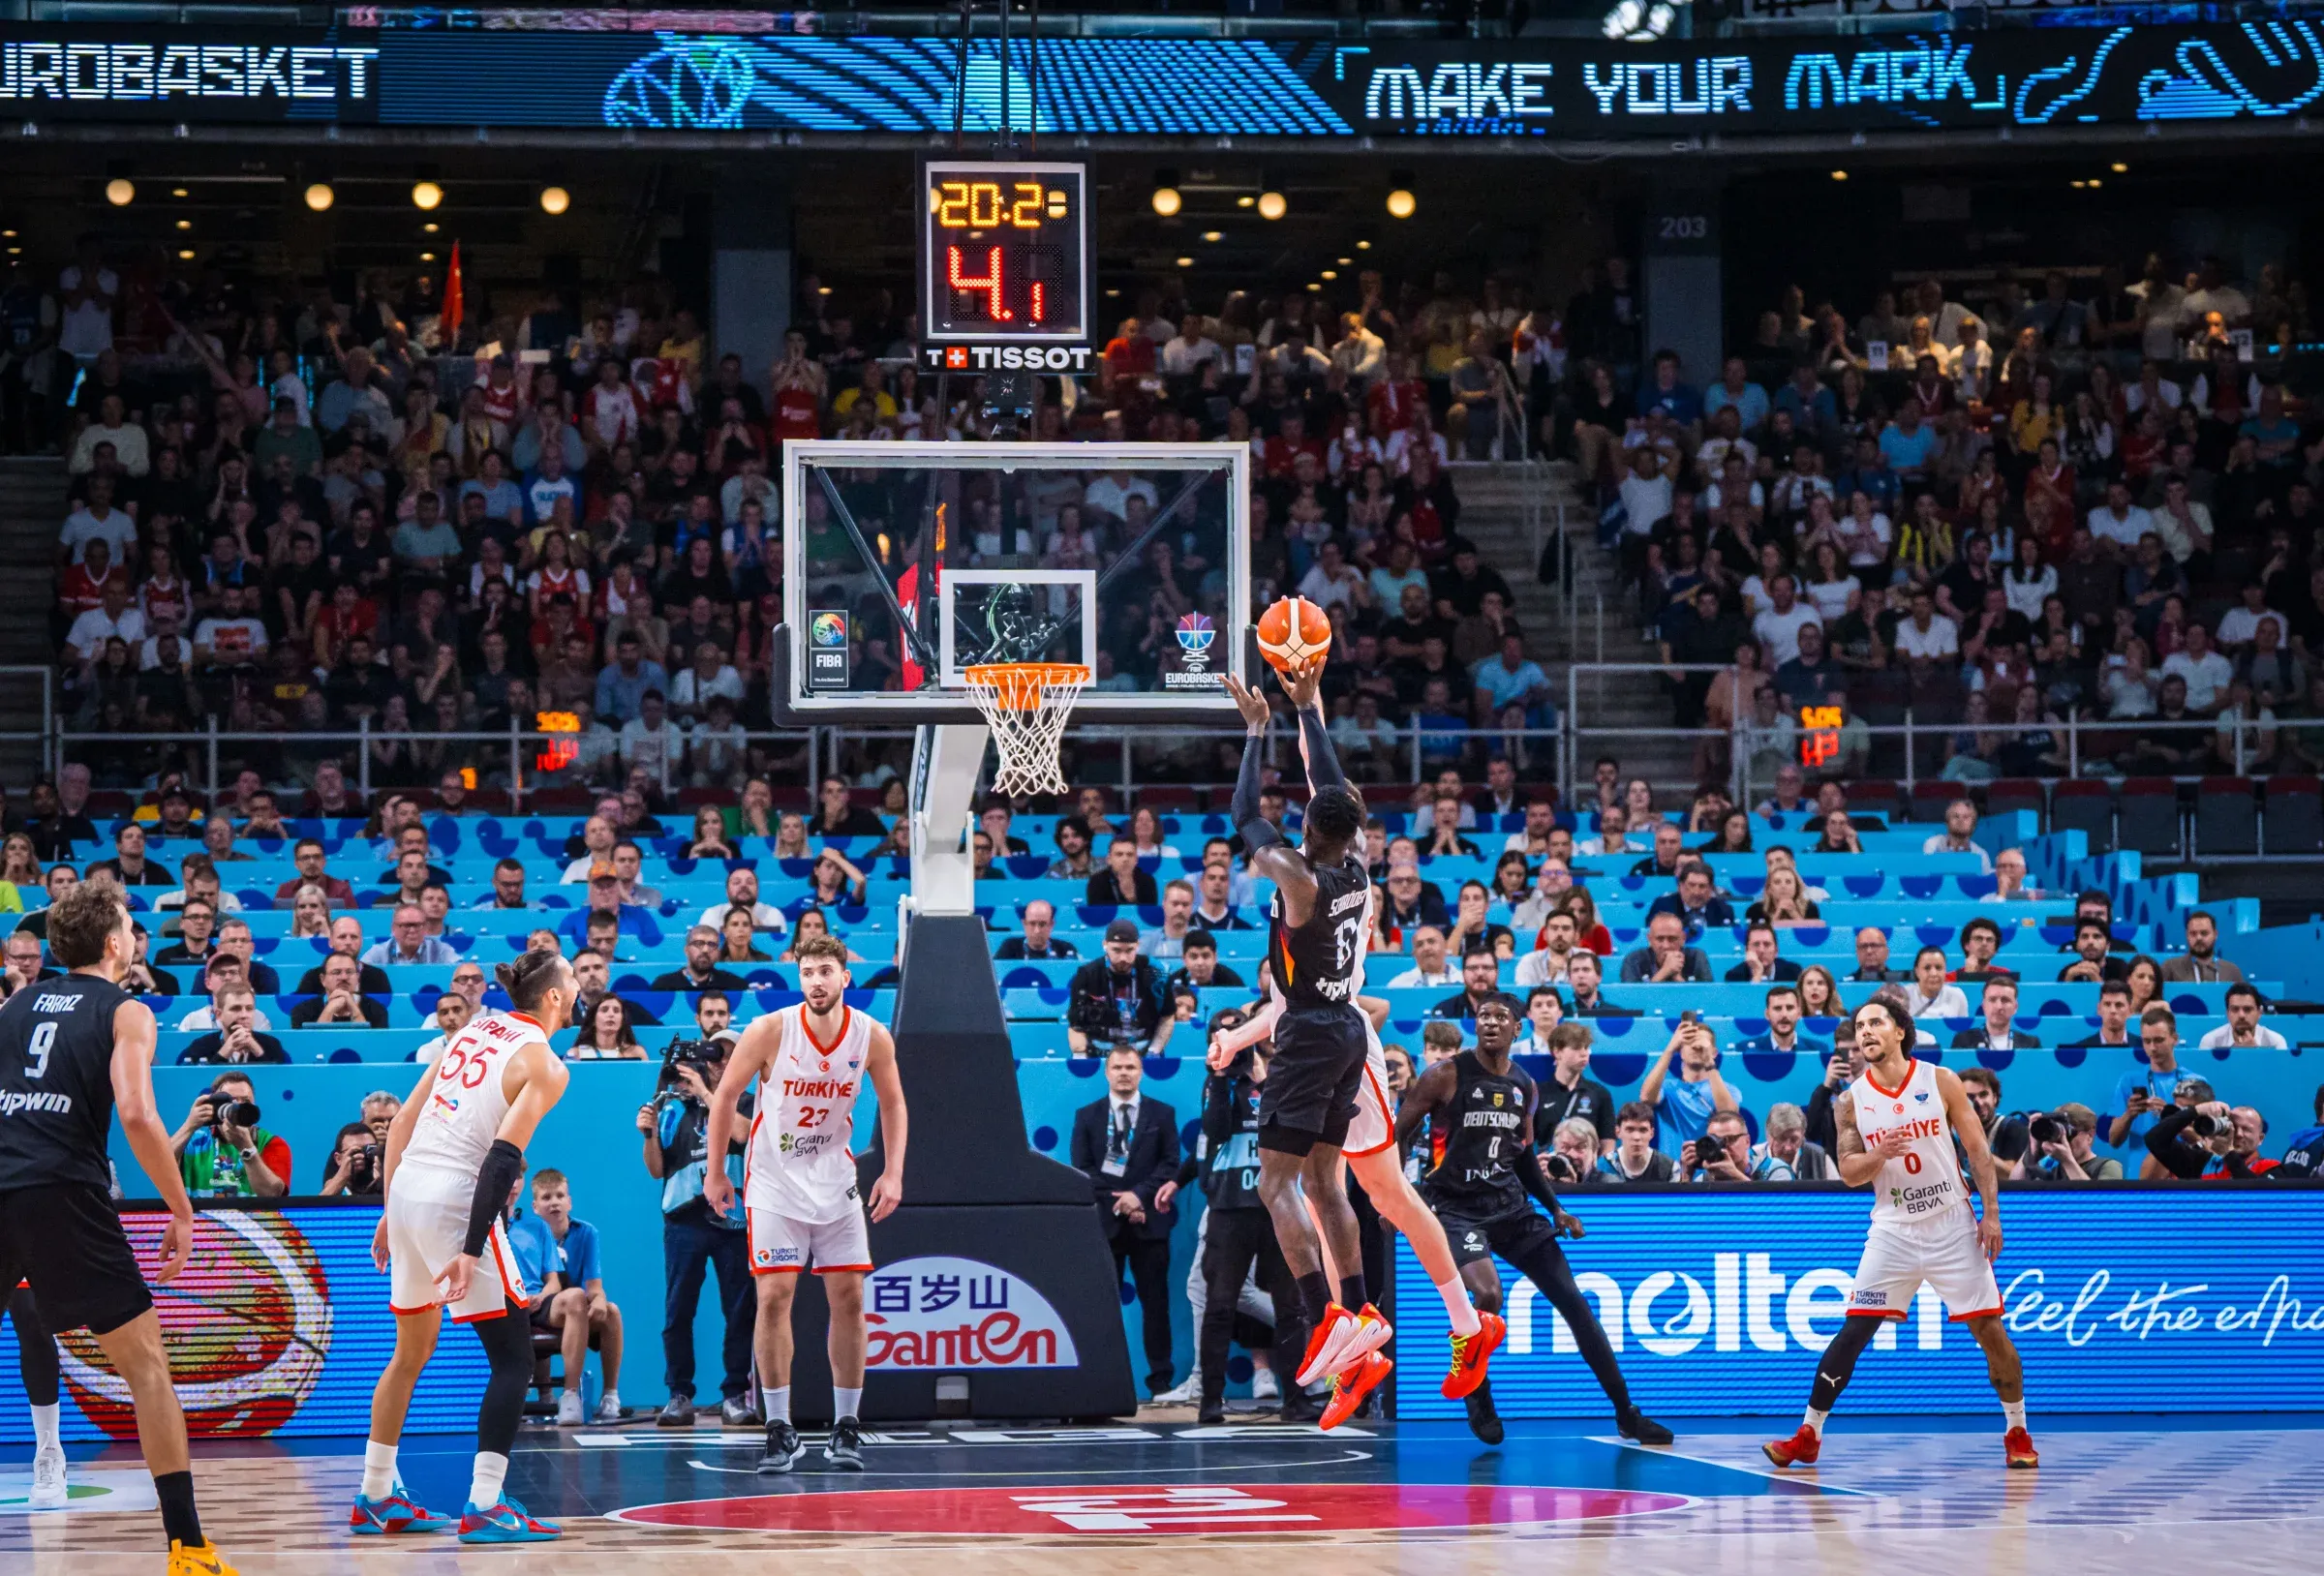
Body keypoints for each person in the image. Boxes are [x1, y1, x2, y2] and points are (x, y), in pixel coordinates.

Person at [0, 884, 241, 1572]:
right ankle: (189, 1549)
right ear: (115, 944)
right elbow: (136, 1113)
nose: (136, 936)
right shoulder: (126, 1009)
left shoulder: (15, 1003)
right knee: (146, 1370)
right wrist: (181, 1207)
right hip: (61, 1192)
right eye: (132, 927)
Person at [1216, 665, 1391, 1426]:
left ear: (1308, 832)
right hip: (1350, 1028)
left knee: (1275, 1186)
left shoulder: (1301, 875)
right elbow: (1331, 781)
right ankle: (1361, 1317)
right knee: (1327, 1185)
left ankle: (1326, 1317)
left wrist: (1258, 730)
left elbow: (1239, 813)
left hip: (1310, 1033)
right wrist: (1306, 710)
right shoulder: (1357, 865)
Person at [1762, 989, 2035, 1471]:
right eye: (1860, 1026)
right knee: (1854, 1330)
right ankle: (1809, 1434)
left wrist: (1991, 1214)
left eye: (1875, 1023)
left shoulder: (1941, 1080)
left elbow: (1976, 1150)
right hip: (1893, 1227)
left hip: (1953, 1222)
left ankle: (2017, 1430)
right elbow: (1849, 1172)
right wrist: (1880, 1153)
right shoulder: (1850, 1102)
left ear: (1900, 1031)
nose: (1865, 1032)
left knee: (1989, 1330)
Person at [357, 950, 576, 1543]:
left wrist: (389, 1212)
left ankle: (375, 1494)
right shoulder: (547, 1065)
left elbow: (402, 1121)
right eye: (574, 979)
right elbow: (504, 1160)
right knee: (514, 1357)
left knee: (410, 1351)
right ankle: (485, 1504)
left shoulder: (473, 1026)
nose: (580, 986)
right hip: (457, 1193)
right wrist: (473, 1247)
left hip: (407, 1189)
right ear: (554, 996)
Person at [1396, 995, 1672, 1447]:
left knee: (1576, 1305)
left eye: (1500, 1017)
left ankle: (1627, 1414)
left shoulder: (1524, 1084)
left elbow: (1523, 1155)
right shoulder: (1444, 1075)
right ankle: (1478, 1394)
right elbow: (1397, 1135)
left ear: (1518, 1030)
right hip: (1456, 1208)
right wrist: (1399, 1199)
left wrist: (1556, 1207)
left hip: (1511, 1206)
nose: (1490, 1023)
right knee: (1487, 1293)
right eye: (1483, 1016)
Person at [703, 934, 906, 1474]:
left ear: (845, 977)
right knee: (774, 1298)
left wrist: (892, 1171)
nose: (816, 981)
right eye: (807, 971)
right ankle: (778, 1426)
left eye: (825, 971)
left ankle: (846, 1425)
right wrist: (717, 1171)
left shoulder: (871, 1036)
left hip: (836, 1179)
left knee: (849, 1299)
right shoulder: (770, 1030)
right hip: (773, 1182)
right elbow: (724, 1096)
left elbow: (893, 1102)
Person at [1068, 1046, 1181, 1401]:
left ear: (1141, 1072)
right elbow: (1081, 1169)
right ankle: (1098, 1379)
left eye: (1130, 1067)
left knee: (1156, 1305)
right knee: (1101, 1305)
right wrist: (1122, 1204)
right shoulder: (1087, 1116)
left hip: (1151, 1224)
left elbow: (1170, 1164)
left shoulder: (1162, 1114)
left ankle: (1160, 1381)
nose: (1123, 1073)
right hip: (1105, 1224)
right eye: (1117, 1067)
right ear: (1106, 1071)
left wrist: (1140, 1197)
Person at [505, 1168, 625, 1425]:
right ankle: (550, 1393)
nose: (555, 1202)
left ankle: (610, 1396)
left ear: (569, 1201)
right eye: (547, 1197)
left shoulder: (587, 1233)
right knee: (569, 1300)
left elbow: (592, 1285)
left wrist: (600, 1298)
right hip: (546, 1308)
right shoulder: (525, 1232)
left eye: (560, 1196)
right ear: (535, 1206)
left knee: (611, 1311)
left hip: (569, 1305)